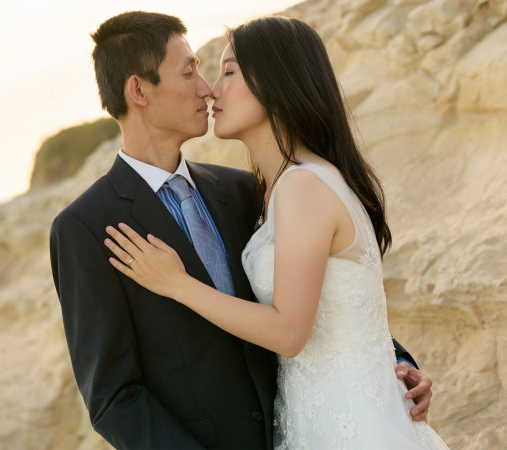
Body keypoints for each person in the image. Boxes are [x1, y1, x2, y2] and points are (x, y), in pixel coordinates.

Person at [50, 11, 434, 449]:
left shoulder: (242, 190)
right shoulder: (84, 227)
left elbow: (317, 293)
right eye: (190, 72)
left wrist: (397, 361)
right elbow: (113, 398)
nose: (206, 88)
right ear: (138, 90)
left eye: (213, 72)